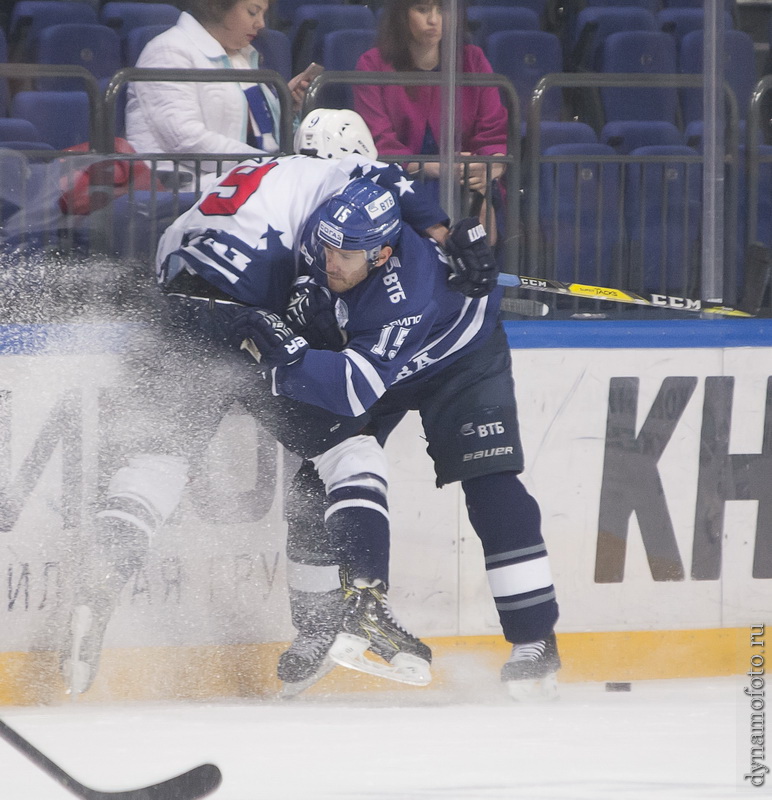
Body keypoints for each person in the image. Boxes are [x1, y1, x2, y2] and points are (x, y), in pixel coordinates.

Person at [59, 109, 481, 696]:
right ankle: (363, 598)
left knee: (159, 460)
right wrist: (443, 232)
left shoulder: (259, 168)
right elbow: (392, 183)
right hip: (243, 304)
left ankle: (96, 587)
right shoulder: (345, 182)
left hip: (172, 294)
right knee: (348, 449)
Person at [239, 176, 561, 700]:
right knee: (314, 485)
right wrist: (444, 224)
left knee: (491, 485)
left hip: (458, 358)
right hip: (373, 353)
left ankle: (534, 641)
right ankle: (318, 631)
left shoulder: (403, 294)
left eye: (349, 255)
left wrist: (280, 360)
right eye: (328, 247)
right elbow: (381, 175)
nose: (331, 261)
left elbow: (350, 388)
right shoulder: (327, 231)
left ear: (384, 253)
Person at [353, 0, 508, 234]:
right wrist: (440, 168)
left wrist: (488, 169)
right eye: (422, 10)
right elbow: (380, 144)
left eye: (442, 10)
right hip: (400, 179)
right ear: (402, 14)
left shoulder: (473, 59)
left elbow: (493, 133)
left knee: (484, 202)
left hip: (465, 176)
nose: (434, 20)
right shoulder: (372, 64)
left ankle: (483, 268)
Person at [125, 0, 312, 177]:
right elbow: (186, 141)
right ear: (218, 7)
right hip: (183, 188)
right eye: (253, 12)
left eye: (264, 14)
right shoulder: (167, 51)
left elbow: (265, 138)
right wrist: (268, 165)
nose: (261, 24)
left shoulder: (242, 56)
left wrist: (288, 107)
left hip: (243, 180)